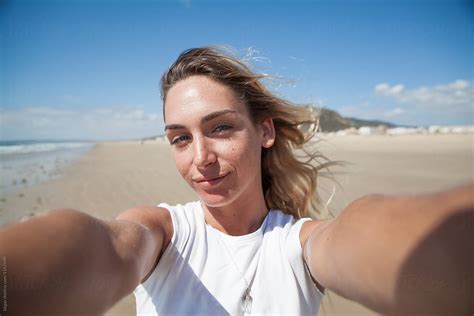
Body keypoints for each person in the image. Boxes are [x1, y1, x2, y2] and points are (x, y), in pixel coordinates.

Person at [0, 47, 472, 316]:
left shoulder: (300, 244)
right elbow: (104, 246)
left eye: (221, 127)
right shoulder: (162, 234)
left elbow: (362, 239)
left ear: (264, 130)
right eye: (180, 138)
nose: (200, 158)